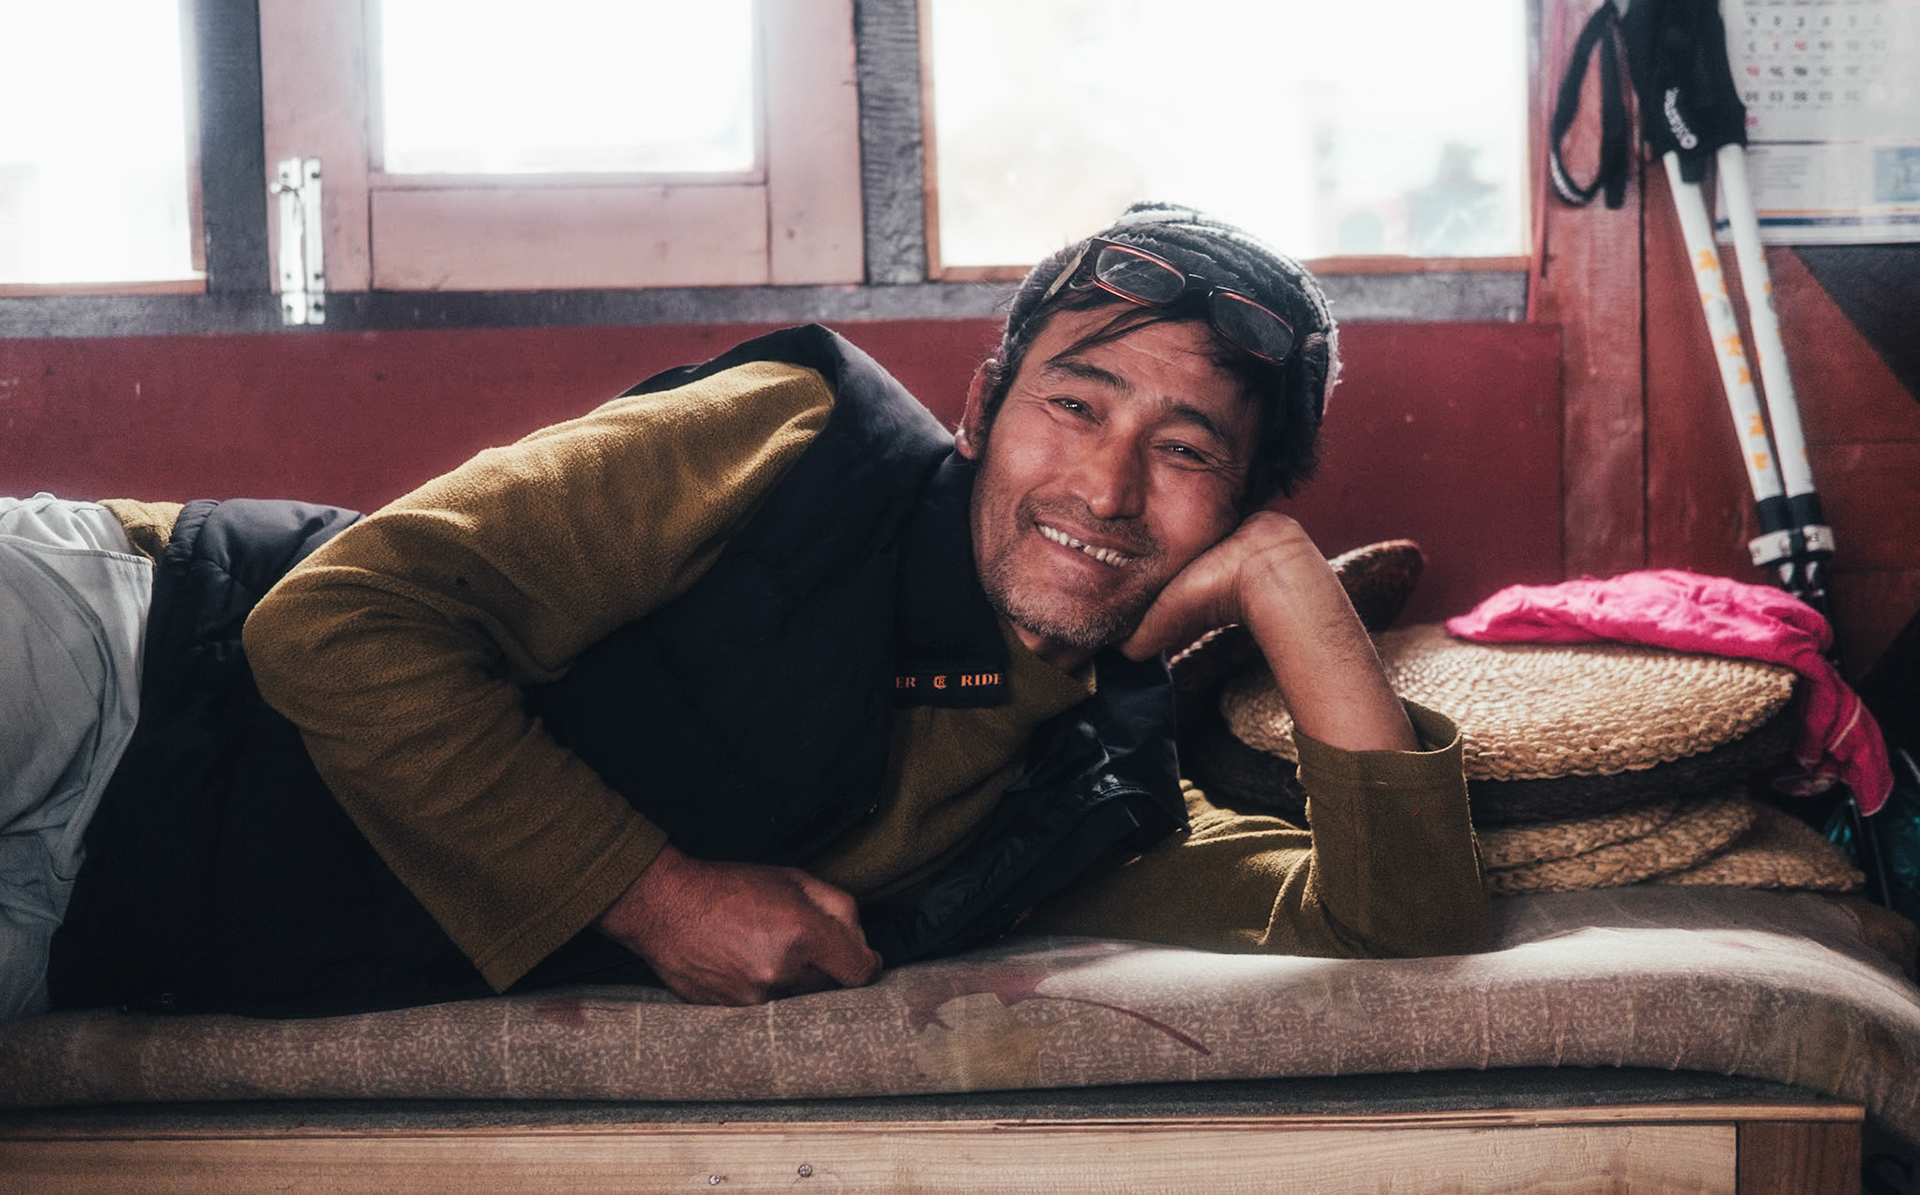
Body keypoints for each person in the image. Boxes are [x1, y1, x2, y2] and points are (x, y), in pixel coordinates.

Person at [9, 204, 1490, 1020]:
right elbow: (333, 623)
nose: (1104, 488)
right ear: (983, 408)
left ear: (1242, 501)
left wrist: (1289, 582)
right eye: (1074, 405)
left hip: (107, 908)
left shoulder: (1092, 800)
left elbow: (1408, 931)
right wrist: (656, 899)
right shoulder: (799, 432)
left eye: (1187, 454)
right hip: (133, 644)